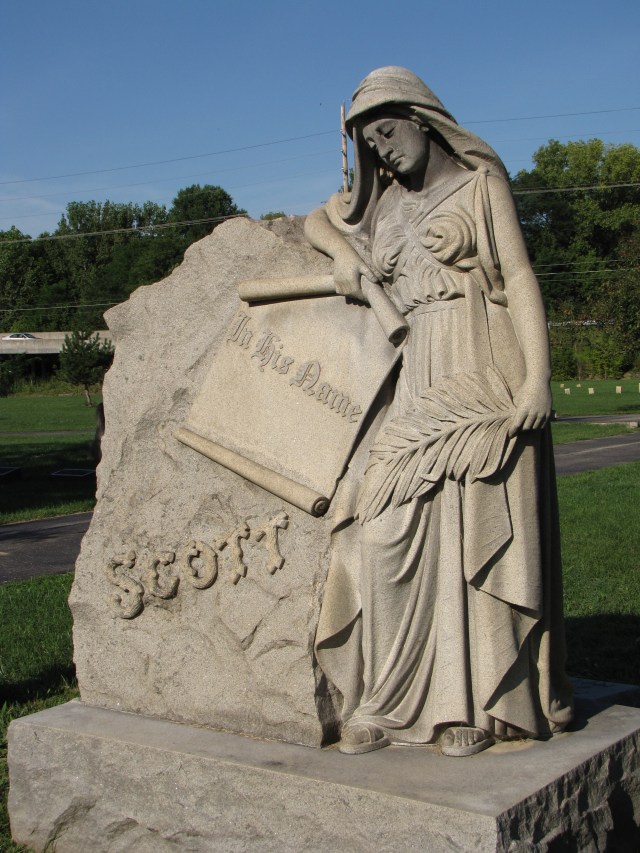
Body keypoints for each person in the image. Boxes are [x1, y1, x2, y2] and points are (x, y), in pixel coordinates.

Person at [305, 67, 573, 756]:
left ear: (422, 119)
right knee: (383, 531)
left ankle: (468, 705)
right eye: (371, 144)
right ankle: (385, 699)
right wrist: (344, 256)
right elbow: (318, 220)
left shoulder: (482, 187)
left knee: (471, 531)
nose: (384, 151)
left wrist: (538, 378)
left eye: (389, 133)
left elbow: (518, 277)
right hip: (413, 376)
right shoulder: (385, 204)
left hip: (482, 366)